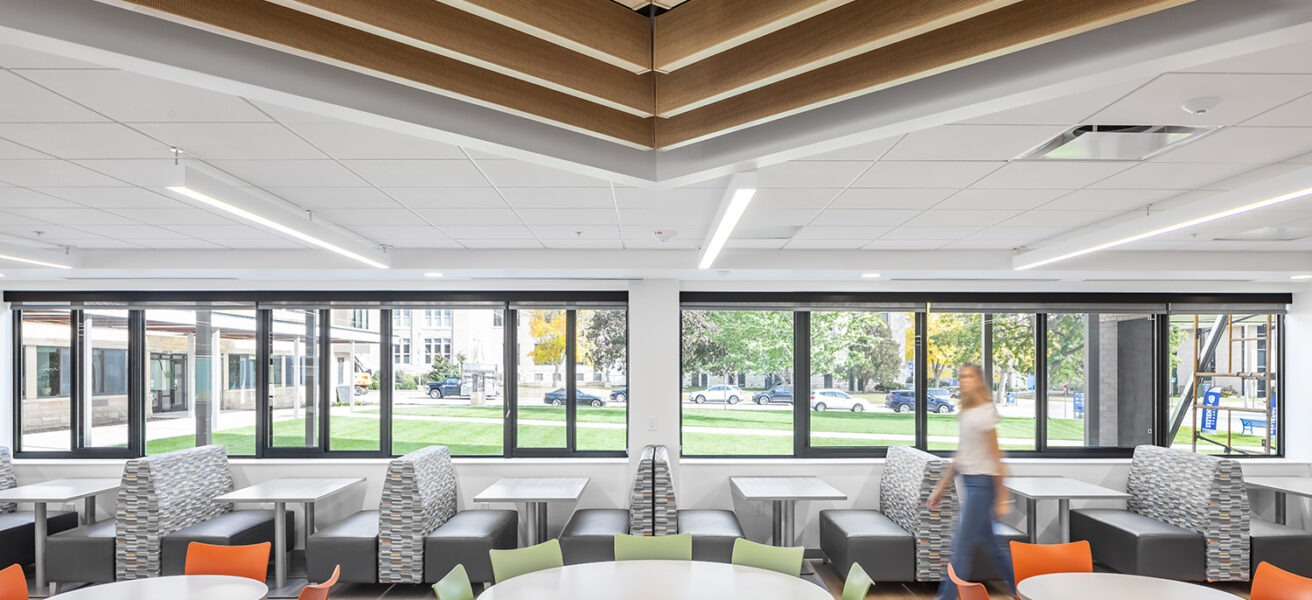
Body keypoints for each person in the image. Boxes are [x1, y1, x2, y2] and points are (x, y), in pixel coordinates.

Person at [929, 363, 1015, 599]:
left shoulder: (986, 411)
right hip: (969, 482)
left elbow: (997, 454)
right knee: (992, 545)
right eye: (961, 376)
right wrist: (940, 488)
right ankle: (1021, 588)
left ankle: (945, 598)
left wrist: (1002, 497)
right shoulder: (966, 412)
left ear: (978, 380)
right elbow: (961, 454)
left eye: (968, 376)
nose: (963, 380)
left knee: (961, 547)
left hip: (983, 485)